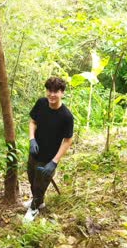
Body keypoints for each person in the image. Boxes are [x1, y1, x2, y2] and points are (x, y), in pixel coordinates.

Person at [24, 77, 74, 222]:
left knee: (41, 184)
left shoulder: (66, 116)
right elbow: (33, 121)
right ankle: (39, 202)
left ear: (62, 93)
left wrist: (54, 162)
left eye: (56, 92)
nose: (52, 95)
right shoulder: (41, 103)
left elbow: (68, 140)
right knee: (32, 179)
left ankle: (34, 209)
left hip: (49, 158)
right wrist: (32, 139)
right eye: (49, 91)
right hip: (35, 152)